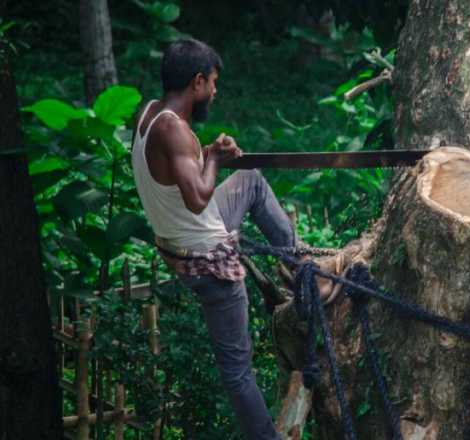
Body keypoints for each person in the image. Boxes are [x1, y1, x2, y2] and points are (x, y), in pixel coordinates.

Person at [130, 38, 325, 440]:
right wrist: (215, 159)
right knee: (237, 372)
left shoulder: (150, 113)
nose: (215, 91)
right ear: (197, 82)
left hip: (181, 240)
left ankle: (300, 266)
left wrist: (209, 151)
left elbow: (177, 170)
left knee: (250, 180)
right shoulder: (174, 129)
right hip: (206, 260)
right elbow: (198, 198)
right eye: (213, 82)